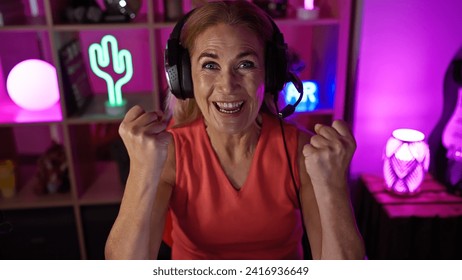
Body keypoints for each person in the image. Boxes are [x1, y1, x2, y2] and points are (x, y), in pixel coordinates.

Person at [105, 0, 365, 260]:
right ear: (184, 77)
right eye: (209, 65)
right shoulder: (170, 154)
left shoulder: (302, 153)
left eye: (246, 64)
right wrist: (140, 170)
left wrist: (333, 187)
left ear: (270, 74)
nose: (228, 86)